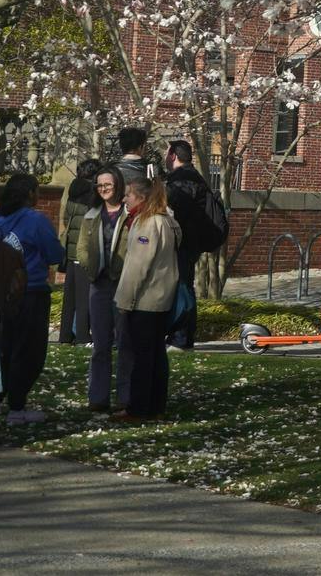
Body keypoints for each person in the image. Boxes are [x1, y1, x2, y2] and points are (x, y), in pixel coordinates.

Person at [0, 173, 65, 423]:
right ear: (30, 194)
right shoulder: (36, 220)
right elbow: (54, 254)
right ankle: (17, 407)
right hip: (31, 291)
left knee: (4, 347)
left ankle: (0, 398)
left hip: (2, 293)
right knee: (29, 351)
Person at [113, 175, 179, 420]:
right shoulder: (168, 220)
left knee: (142, 356)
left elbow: (137, 267)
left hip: (145, 299)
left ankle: (138, 407)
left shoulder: (148, 223)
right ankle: (156, 405)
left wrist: (125, 301)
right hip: (161, 298)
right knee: (156, 355)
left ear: (140, 196)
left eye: (128, 195)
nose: (125, 199)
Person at [76, 165, 131, 411]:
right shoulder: (92, 215)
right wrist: (91, 270)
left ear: (118, 185)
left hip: (124, 284)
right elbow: (82, 249)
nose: (104, 189)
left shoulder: (130, 214)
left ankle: (125, 396)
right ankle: (98, 398)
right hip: (99, 284)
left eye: (108, 184)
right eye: (99, 185)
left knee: (125, 343)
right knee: (100, 345)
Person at [161, 140, 217, 350]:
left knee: (183, 286)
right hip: (189, 241)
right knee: (184, 285)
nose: (165, 157)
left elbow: (178, 214)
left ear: (173, 155)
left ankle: (181, 337)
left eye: (167, 153)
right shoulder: (193, 177)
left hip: (183, 243)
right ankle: (180, 335)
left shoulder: (182, 180)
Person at [58, 159, 102, 345]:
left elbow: (67, 219)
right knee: (84, 297)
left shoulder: (73, 190)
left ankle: (65, 336)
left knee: (70, 298)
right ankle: (83, 336)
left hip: (70, 250)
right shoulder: (92, 195)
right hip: (84, 250)